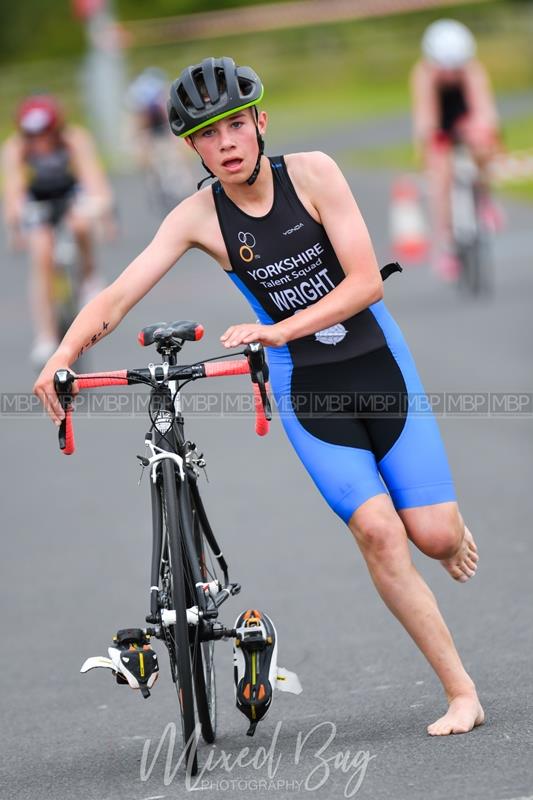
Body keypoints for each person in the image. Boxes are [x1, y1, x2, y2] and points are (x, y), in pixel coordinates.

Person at [34, 57, 483, 736]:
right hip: (307, 390)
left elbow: (365, 282)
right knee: (378, 533)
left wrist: (277, 327)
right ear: (192, 147)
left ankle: (447, 529)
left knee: (434, 534)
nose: (228, 143)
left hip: (378, 367)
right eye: (210, 136)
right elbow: (120, 293)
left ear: (260, 122)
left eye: (237, 125)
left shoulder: (314, 174)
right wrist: (64, 353)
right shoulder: (197, 217)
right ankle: (461, 694)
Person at [1, 94, 115, 367]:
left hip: (70, 193)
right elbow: (14, 192)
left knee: (80, 223)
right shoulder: (15, 147)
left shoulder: (75, 139)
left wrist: (100, 210)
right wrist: (15, 226)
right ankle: (46, 334)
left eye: (45, 133)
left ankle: (89, 275)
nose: (39, 140)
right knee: (41, 253)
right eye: (32, 134)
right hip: (38, 199)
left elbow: (94, 180)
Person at [410, 19, 502, 279]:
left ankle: (484, 198)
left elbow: (484, 110)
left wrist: (482, 130)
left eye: (456, 68)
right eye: (444, 68)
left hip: (465, 115)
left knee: (482, 143)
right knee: (440, 176)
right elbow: (425, 117)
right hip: (441, 120)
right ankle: (446, 242)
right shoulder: (424, 73)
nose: (450, 74)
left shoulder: (472, 70)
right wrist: (428, 143)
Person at [126, 67, 195, 207]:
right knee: (146, 153)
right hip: (149, 127)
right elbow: (138, 125)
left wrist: (176, 140)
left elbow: (168, 117)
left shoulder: (161, 98)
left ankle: (187, 180)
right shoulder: (140, 102)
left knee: (177, 151)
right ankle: (156, 181)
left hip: (163, 123)